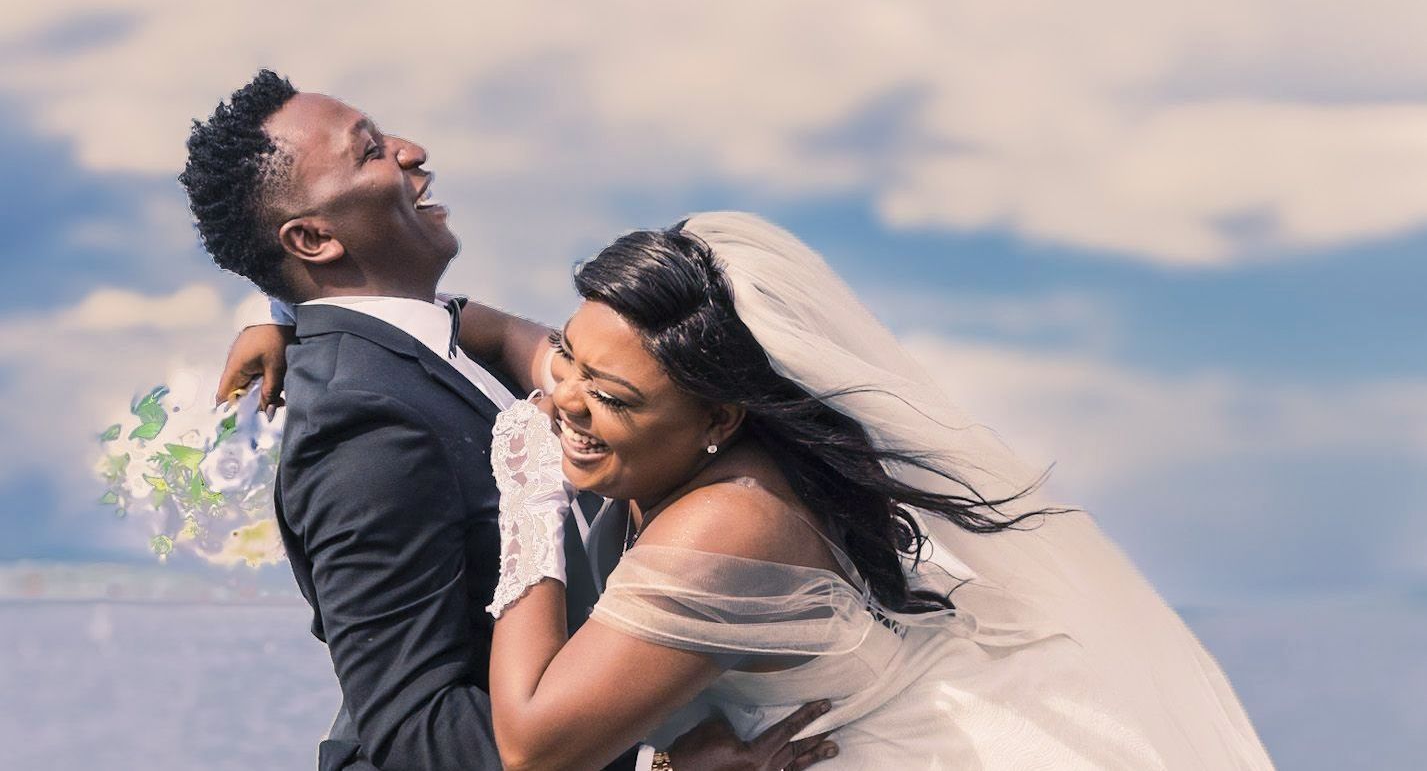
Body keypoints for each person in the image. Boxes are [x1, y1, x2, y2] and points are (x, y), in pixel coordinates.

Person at [228, 213, 1276, 768]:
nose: (565, 402)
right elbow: (500, 333)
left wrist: (530, 502)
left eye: (609, 398)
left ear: (720, 419)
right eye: (571, 358)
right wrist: (293, 321)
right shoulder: (650, 398)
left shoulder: (726, 523)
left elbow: (533, 743)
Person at [185, 70, 835, 771]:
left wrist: (284, 316)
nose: (411, 150)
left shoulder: (430, 346)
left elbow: (515, 344)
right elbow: (415, 729)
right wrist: (657, 765)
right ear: (314, 237)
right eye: (370, 151)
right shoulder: (360, 426)